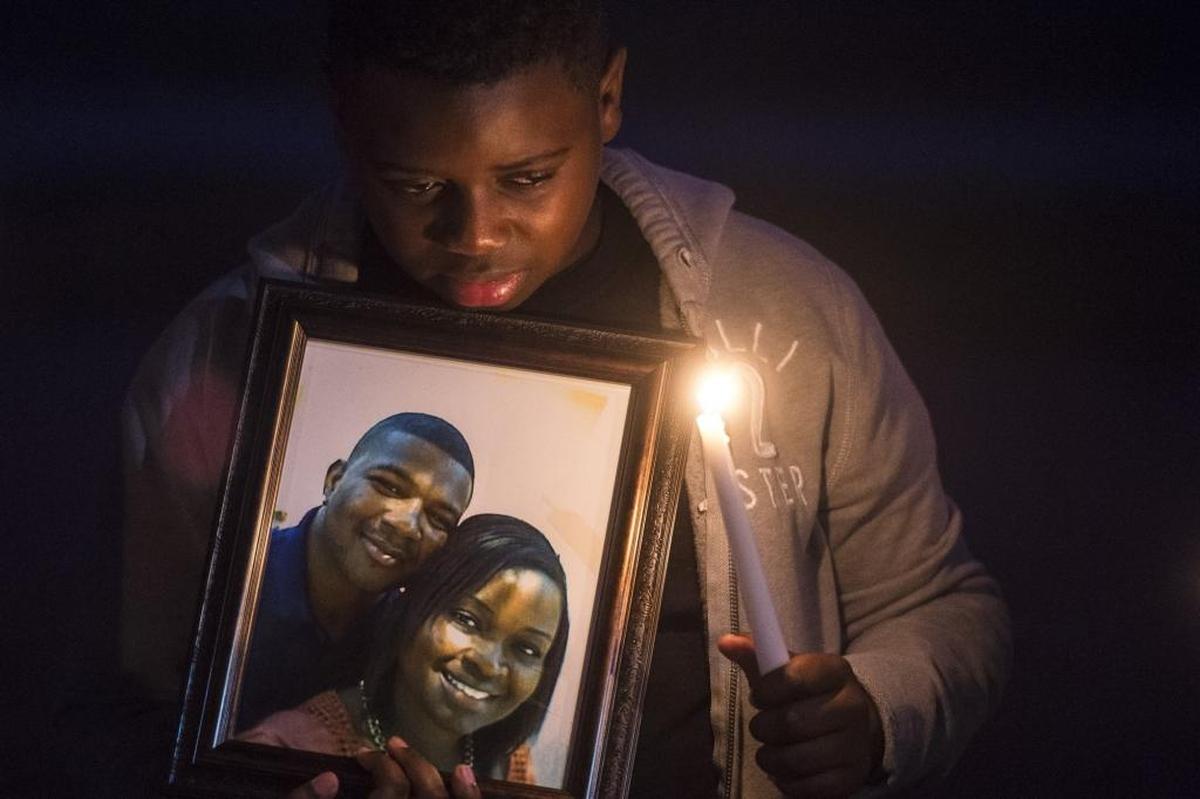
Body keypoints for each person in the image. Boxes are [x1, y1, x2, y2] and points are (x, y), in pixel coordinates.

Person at [113, 2, 1011, 797]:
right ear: (344, 121)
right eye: (417, 186)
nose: (476, 235)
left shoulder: (787, 313)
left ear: (608, 97)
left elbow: (942, 604)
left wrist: (875, 714)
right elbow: (124, 706)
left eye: (528, 178)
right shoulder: (227, 357)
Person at [239, 514, 568, 788]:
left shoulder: (510, 763)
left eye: (527, 648)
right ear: (408, 606)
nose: (488, 664)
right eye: (467, 619)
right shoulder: (284, 747)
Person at [236, 412, 476, 729]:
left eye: (439, 519)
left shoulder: (407, 642)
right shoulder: (232, 579)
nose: (406, 525)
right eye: (389, 487)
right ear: (334, 481)